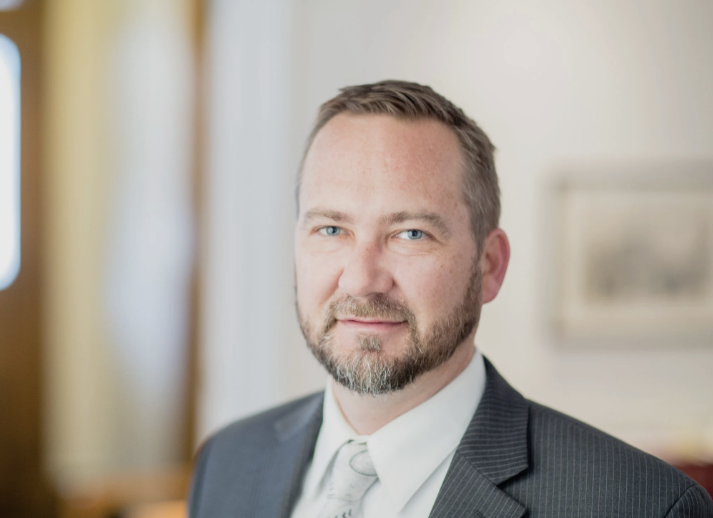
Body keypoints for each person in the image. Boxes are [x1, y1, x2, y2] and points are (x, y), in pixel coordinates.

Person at [187, 80, 713, 518]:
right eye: (330, 229)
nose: (361, 279)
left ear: (489, 266)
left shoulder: (637, 505)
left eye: (411, 234)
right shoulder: (229, 463)